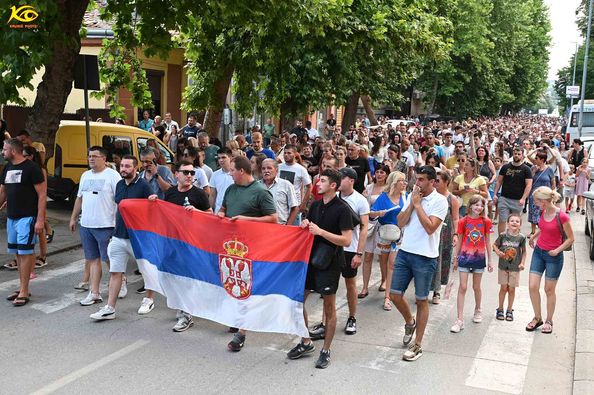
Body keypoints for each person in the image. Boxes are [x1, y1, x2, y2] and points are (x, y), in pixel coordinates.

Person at [287, 169, 353, 369]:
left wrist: (321, 232)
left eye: (322, 181)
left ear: (333, 185)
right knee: (297, 302)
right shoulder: (315, 205)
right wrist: (306, 225)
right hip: (309, 261)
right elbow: (311, 229)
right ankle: (306, 342)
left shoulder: (342, 209)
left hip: (329, 263)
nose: (318, 183)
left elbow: (347, 239)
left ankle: (326, 350)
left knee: (329, 308)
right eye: (318, 180)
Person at [217, 156, 278, 352]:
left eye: (232, 170)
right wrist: (220, 214)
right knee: (232, 282)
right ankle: (238, 319)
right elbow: (223, 208)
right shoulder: (231, 189)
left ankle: (241, 332)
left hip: (252, 247)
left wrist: (246, 220)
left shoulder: (260, 192)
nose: (230, 173)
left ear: (241, 171)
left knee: (246, 286)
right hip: (230, 247)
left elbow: (273, 219)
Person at [390, 166, 448, 361]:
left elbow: (431, 228)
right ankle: (409, 321)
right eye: (416, 179)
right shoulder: (413, 196)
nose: (417, 183)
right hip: (405, 252)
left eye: (422, 180)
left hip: (425, 257)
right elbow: (400, 222)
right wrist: (412, 204)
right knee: (394, 294)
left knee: (421, 299)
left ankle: (418, 345)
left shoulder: (440, 201)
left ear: (432, 182)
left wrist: (418, 205)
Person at [149, 161, 212, 332]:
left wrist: (196, 212)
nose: (190, 176)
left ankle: (186, 314)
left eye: (192, 173)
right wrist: (154, 202)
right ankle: (184, 307)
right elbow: (165, 213)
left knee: (187, 279)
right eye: (186, 172)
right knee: (174, 278)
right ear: (176, 174)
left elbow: (210, 215)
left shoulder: (198, 194)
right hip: (173, 243)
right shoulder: (170, 193)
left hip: (192, 244)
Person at [90, 155, 153, 321]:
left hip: (137, 237)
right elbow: (118, 207)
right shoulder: (119, 184)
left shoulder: (144, 186)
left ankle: (149, 299)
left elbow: (152, 209)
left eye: (127, 166)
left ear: (135, 168)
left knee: (147, 271)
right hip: (118, 236)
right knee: (115, 272)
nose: (123, 169)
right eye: (122, 166)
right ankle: (110, 308)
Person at [69, 147, 122, 306]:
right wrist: (73, 218)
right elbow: (79, 199)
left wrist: (118, 223)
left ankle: (121, 279)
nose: (91, 159)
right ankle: (95, 293)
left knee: (108, 258)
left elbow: (120, 201)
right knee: (92, 259)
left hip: (106, 224)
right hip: (86, 224)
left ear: (104, 158)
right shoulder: (85, 175)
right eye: (89, 156)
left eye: (95, 156)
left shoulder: (113, 175)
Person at [0, 138, 46, 306]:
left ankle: (25, 291)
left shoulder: (31, 168)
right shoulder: (8, 167)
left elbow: (42, 195)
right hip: (11, 217)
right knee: (18, 254)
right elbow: (3, 191)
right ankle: (22, 287)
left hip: (27, 217)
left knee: (25, 253)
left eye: (4, 149)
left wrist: (40, 220)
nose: (2, 152)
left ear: (13, 151)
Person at [526, 187, 574, 334]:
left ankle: (549, 320)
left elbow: (571, 239)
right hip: (539, 253)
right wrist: (534, 236)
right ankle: (537, 317)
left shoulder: (562, 216)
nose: (535, 204)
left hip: (554, 256)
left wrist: (557, 250)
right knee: (533, 286)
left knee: (548, 289)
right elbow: (543, 227)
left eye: (536, 201)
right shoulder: (543, 211)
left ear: (544, 201)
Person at [450, 195, 493, 333]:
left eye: (481, 206)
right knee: (462, 287)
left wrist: (490, 260)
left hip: (479, 258)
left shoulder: (486, 221)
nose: (479, 208)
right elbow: (460, 240)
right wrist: (456, 258)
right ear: (470, 206)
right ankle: (459, 319)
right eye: (476, 205)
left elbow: (487, 241)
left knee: (476, 287)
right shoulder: (463, 221)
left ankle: (478, 309)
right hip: (464, 257)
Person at [369, 171, 407, 311]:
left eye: (404, 180)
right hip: (384, 232)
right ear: (394, 182)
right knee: (384, 262)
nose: (404, 183)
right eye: (401, 180)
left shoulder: (406, 196)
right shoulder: (383, 197)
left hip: (400, 234)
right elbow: (371, 213)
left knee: (392, 264)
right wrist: (378, 213)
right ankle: (385, 282)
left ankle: (387, 297)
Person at [358, 164, 390, 298]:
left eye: (382, 172)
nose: (379, 174)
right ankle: (365, 287)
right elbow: (364, 207)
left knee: (383, 257)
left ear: (387, 175)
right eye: (377, 172)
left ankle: (384, 280)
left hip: (383, 225)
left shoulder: (388, 189)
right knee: (368, 256)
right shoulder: (369, 188)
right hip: (370, 225)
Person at [431, 171, 460, 304]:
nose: (434, 183)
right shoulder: (431, 196)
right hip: (431, 231)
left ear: (446, 182)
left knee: (441, 259)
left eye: (437, 181)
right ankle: (425, 287)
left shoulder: (451, 198)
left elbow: (455, 218)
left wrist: (455, 234)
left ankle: (436, 290)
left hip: (445, 233)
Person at [492, 213, 526, 322]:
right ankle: (500, 308)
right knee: (503, 288)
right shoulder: (503, 235)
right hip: (503, 266)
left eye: (517, 221)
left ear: (520, 225)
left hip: (515, 267)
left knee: (511, 289)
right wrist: (497, 252)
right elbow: (495, 245)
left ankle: (509, 310)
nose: (514, 223)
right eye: (512, 221)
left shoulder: (521, 238)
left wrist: (522, 263)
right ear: (507, 223)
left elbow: (524, 252)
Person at [492, 147, 533, 235]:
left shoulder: (526, 169)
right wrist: (495, 194)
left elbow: (529, 185)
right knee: (502, 220)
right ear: (512, 154)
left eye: (519, 154)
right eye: (515, 154)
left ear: (522, 156)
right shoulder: (505, 167)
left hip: (518, 200)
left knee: (515, 223)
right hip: (504, 198)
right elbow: (499, 181)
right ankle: (501, 241)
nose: (516, 155)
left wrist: (523, 198)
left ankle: (514, 241)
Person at [279, 144, 312, 223]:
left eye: (289, 153)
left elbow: (309, 186)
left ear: (295, 154)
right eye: (285, 153)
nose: (286, 155)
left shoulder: (301, 169)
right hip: (280, 204)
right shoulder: (278, 167)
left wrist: (303, 204)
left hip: (294, 205)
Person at [259, 158, 299, 225]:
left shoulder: (286, 185)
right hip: (260, 226)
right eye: (263, 168)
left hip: (280, 226)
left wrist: (287, 226)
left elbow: (295, 208)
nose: (266, 171)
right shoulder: (257, 186)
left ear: (276, 170)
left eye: (269, 168)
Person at [528, 151, 555, 235]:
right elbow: (529, 181)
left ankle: (542, 231)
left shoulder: (549, 169)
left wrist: (552, 193)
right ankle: (533, 232)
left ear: (542, 160)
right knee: (533, 212)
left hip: (545, 196)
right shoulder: (533, 168)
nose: (535, 160)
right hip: (534, 195)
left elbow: (553, 182)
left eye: (537, 158)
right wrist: (533, 172)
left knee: (543, 213)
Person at [209, 147, 234, 213]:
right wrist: (210, 210)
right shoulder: (214, 175)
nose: (221, 160)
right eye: (219, 158)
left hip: (233, 211)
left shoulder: (236, 174)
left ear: (230, 157)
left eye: (223, 157)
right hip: (218, 212)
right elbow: (212, 195)